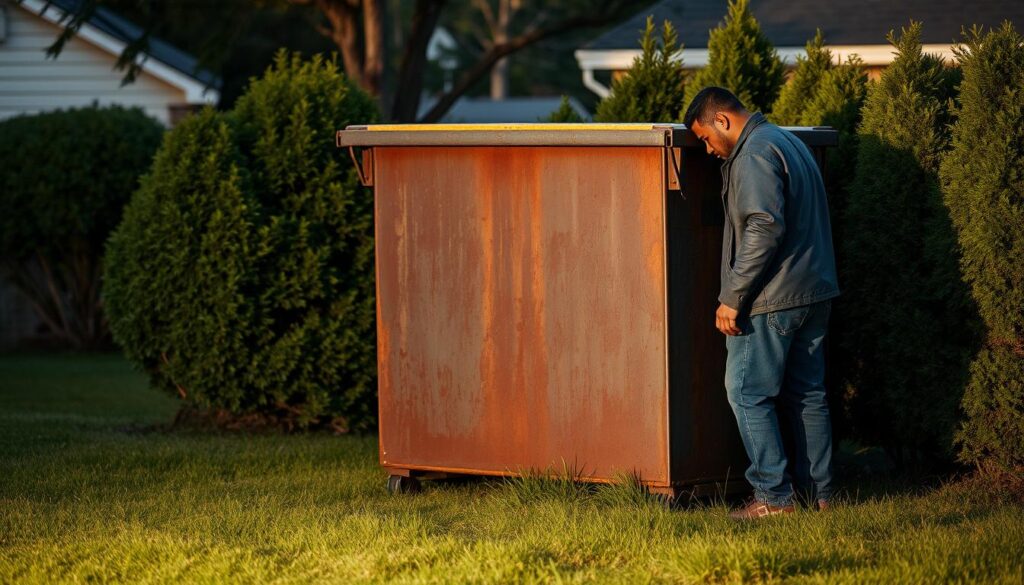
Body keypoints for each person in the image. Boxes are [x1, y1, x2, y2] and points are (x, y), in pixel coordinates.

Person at [683, 87, 840, 520]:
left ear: (722, 120)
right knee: (807, 394)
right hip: (815, 291)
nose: (708, 150)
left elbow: (763, 225)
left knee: (746, 392)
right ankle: (821, 496)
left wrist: (732, 297)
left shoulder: (753, 152)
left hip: (772, 297)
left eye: (706, 138)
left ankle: (773, 497)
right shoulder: (788, 141)